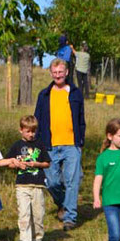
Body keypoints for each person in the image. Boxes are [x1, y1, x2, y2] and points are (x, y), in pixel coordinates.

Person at [34, 58, 86, 231]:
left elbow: (81, 120)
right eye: (54, 72)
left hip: (71, 144)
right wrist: (37, 143)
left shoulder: (76, 93)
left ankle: (70, 217)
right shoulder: (44, 95)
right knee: (52, 182)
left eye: (60, 72)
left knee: (72, 181)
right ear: (51, 73)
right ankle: (63, 203)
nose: (58, 75)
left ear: (66, 72)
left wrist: (80, 142)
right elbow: (37, 120)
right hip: (49, 145)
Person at [4, 115, 51, 241]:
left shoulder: (40, 145)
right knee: (24, 214)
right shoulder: (16, 146)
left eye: (33, 131)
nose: (31, 134)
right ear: (21, 130)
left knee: (38, 214)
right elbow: (8, 162)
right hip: (22, 185)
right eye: (28, 131)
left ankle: (38, 238)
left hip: (37, 185)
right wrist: (16, 164)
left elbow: (47, 163)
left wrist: (35, 164)